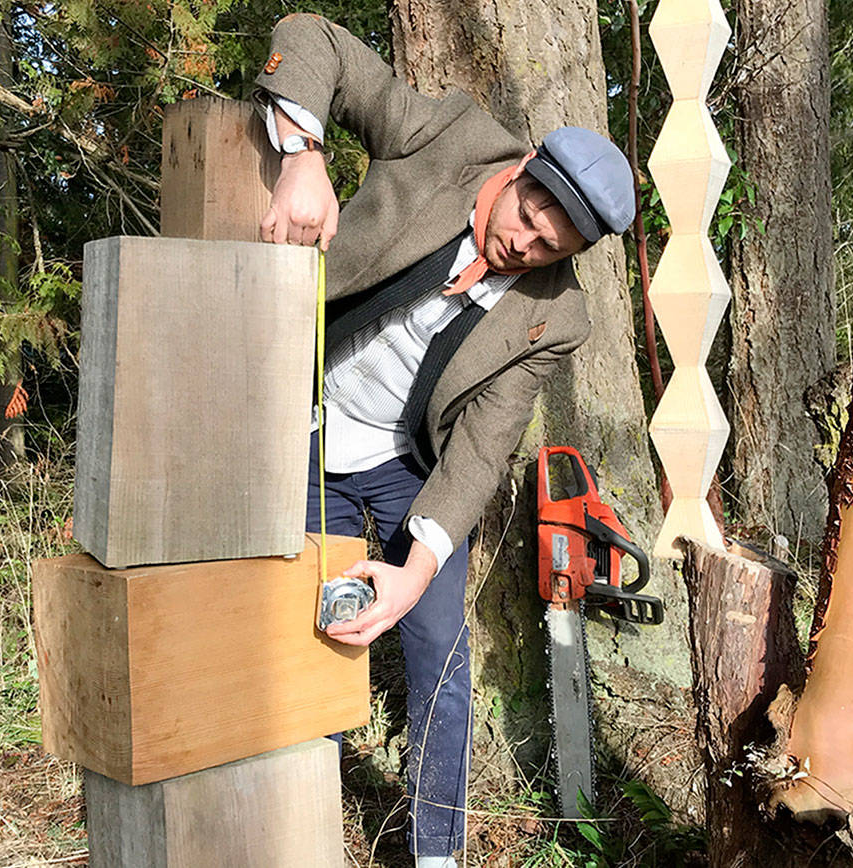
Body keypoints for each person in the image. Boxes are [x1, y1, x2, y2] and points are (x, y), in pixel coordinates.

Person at [255, 14, 634, 868]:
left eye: (549, 245)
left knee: (438, 657)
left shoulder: (557, 315)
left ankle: (435, 854)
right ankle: (287, 826)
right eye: (530, 213)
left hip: (404, 471)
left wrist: (412, 571)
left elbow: (479, 450)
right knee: (287, 639)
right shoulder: (451, 136)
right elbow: (311, 38)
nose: (521, 243)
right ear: (524, 167)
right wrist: (302, 155)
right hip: (297, 431)